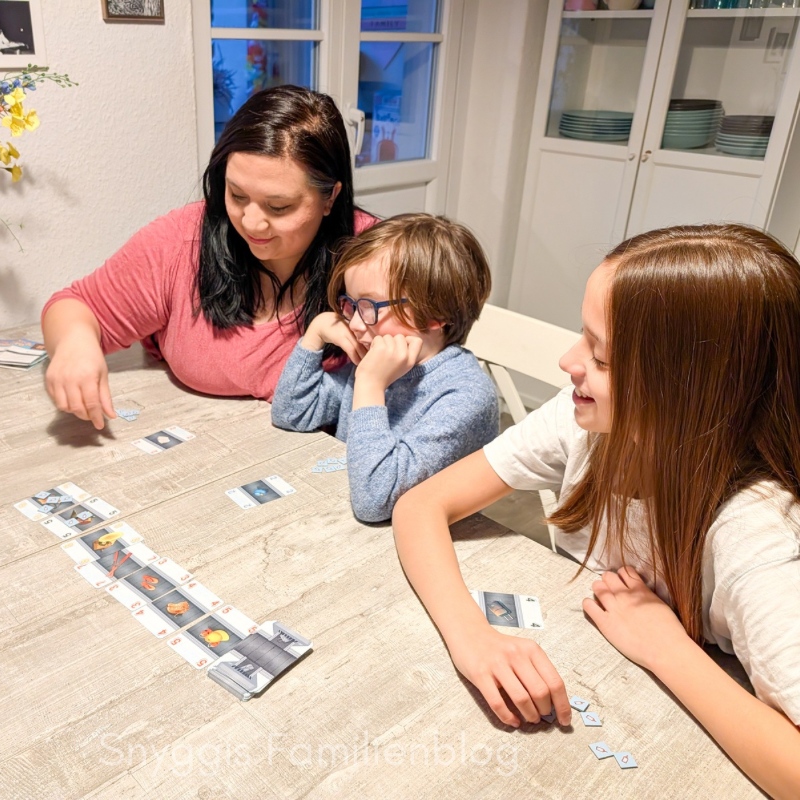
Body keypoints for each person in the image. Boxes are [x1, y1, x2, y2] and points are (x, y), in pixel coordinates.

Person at [391, 223, 800, 797]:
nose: (568, 361)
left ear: (692, 388)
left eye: (601, 357)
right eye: (582, 337)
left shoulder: (757, 535)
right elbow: (420, 505)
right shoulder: (587, 422)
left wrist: (667, 647)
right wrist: (473, 639)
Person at [42, 85, 377, 428]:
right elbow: (74, 305)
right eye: (237, 195)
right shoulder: (183, 238)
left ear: (330, 198)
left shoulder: (380, 257)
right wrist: (74, 345)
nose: (251, 222)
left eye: (279, 207)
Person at [271, 214, 498, 522]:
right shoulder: (378, 356)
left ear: (434, 314)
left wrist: (370, 385)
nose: (352, 323)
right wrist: (315, 333)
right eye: (349, 303)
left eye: (369, 307)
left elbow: (375, 501)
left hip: (427, 545)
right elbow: (292, 414)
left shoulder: (465, 396)